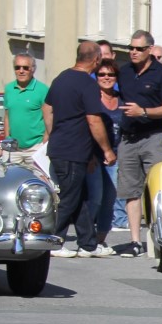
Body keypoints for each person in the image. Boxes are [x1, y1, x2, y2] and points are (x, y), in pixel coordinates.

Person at [46, 42, 117, 257]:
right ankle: (53, 242)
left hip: (63, 148)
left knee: (80, 197)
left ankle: (88, 244)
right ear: (96, 60)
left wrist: (54, 132)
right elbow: (94, 120)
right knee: (69, 198)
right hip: (71, 151)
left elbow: (47, 108)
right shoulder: (87, 84)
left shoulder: (61, 78)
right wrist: (106, 150)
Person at [113, 28, 162, 257]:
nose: (133, 52)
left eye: (139, 49)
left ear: (150, 50)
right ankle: (134, 241)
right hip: (129, 137)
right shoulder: (125, 72)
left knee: (156, 189)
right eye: (130, 48)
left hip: (154, 136)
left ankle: (159, 238)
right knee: (131, 191)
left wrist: (144, 112)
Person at [90, 60, 124, 254]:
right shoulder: (92, 99)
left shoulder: (121, 100)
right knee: (94, 198)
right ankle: (86, 237)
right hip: (94, 157)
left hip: (115, 158)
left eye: (110, 75)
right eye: (101, 74)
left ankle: (100, 239)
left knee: (109, 199)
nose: (106, 78)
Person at [2, 54, 49, 158]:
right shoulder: (9, 89)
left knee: (37, 175)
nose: (21, 71)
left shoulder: (43, 90)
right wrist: (7, 138)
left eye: (25, 68)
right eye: (17, 67)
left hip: (35, 148)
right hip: (12, 148)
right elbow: (7, 115)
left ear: (33, 69)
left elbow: (50, 118)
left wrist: (44, 142)